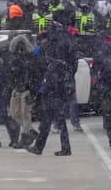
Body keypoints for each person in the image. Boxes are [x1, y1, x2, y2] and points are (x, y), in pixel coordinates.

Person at [27, 23, 76, 157]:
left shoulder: (53, 61)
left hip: (52, 95)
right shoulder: (63, 54)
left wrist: (40, 91)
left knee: (48, 121)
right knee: (55, 122)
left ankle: (40, 147)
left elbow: (48, 81)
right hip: (60, 94)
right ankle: (61, 148)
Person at [5, 34, 39, 149]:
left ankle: (25, 137)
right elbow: (10, 74)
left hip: (26, 89)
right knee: (14, 114)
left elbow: (34, 74)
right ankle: (30, 131)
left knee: (26, 114)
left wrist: (32, 90)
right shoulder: (13, 58)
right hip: (17, 88)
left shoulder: (31, 58)